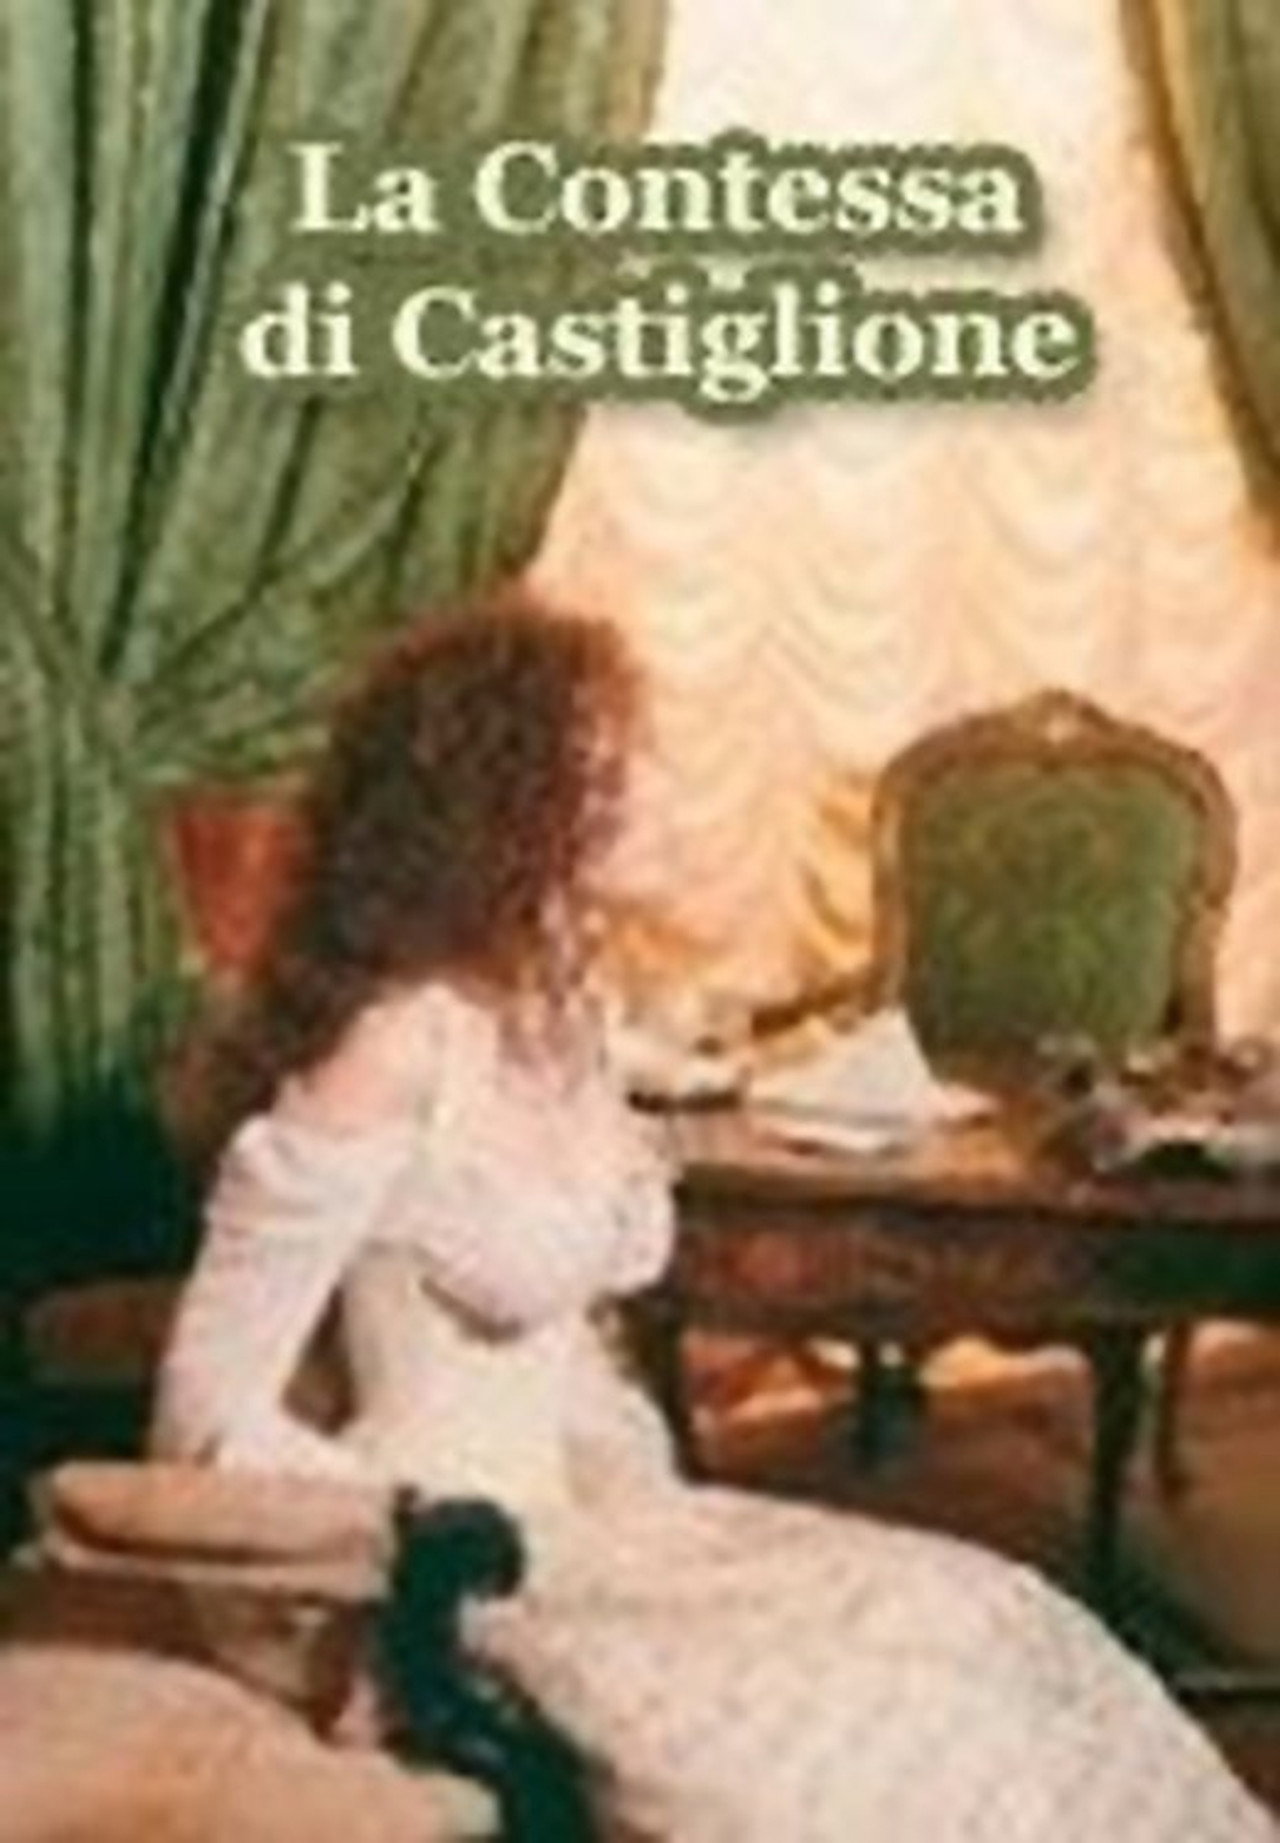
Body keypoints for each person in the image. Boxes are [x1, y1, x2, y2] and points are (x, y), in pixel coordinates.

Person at [153, 594, 1272, 1842]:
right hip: (460, 1568)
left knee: (999, 1621)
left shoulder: (566, 1028)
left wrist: (641, 1509)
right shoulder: (391, 1048)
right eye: (621, 768)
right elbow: (206, 1399)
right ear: (516, 807)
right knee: (885, 1734)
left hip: (600, 1526)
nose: (665, 794)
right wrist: (393, 1555)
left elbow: (572, 1354)